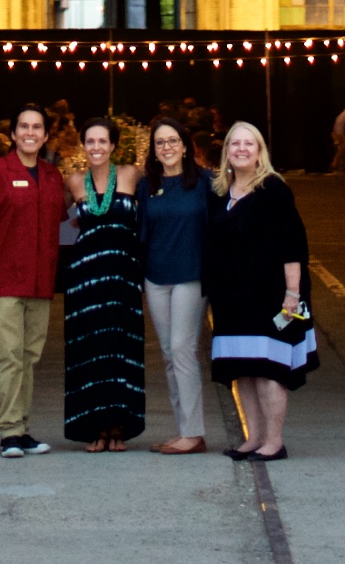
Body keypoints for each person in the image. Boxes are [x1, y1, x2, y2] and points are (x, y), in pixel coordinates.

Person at [205, 119, 316, 462]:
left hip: (271, 295)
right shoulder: (219, 191)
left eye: (248, 144)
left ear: (259, 152)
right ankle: (253, 438)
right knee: (243, 368)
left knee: (270, 369)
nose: (240, 149)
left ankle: (274, 441)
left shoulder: (273, 190)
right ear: (226, 152)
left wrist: (292, 295)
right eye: (234, 144)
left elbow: (293, 246)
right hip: (231, 298)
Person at [0, 102, 64, 457]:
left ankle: (23, 428)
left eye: (37, 128)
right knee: (9, 357)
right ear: (13, 133)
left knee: (29, 357)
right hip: (5, 282)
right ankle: (9, 432)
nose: (30, 133)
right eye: (23, 126)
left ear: (46, 135)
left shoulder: (52, 176)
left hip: (40, 283)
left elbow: (62, 222)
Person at [61, 116, 144, 452]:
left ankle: (118, 426)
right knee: (90, 353)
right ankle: (94, 427)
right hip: (86, 281)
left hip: (122, 277)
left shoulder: (131, 175)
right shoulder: (73, 182)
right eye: (90, 141)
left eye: (102, 141)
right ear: (84, 145)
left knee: (119, 351)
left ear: (113, 145)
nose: (96, 147)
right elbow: (61, 228)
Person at [138, 114, 209, 453]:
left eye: (172, 141)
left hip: (190, 276)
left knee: (183, 350)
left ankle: (193, 433)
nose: (166, 147)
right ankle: (184, 429)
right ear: (153, 150)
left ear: (184, 147)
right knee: (168, 353)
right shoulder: (147, 185)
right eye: (159, 142)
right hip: (156, 277)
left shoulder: (205, 182)